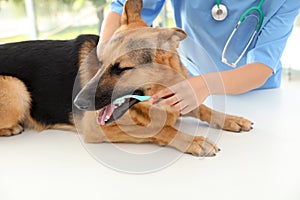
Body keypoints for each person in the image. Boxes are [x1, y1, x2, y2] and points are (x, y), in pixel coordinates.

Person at [97, 0, 300, 115]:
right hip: (189, 84)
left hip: (258, 97)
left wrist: (206, 85)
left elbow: (261, 67)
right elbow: (125, 9)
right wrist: (106, 55)